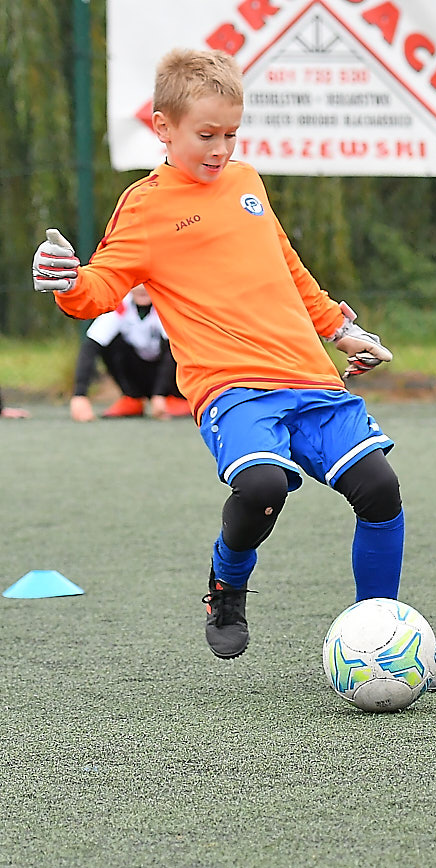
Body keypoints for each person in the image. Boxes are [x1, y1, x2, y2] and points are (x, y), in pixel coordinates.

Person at [31, 48, 406, 664]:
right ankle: (227, 587)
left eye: (231, 134)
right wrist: (67, 280)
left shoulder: (247, 182)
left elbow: (288, 267)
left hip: (308, 377)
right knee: (262, 487)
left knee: (380, 488)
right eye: (206, 135)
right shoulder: (145, 206)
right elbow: (98, 290)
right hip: (231, 388)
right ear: (163, 127)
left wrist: (341, 331)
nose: (221, 149)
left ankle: (382, 640)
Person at [70, 284, 191, 421]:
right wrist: (79, 395)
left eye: (146, 282)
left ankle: (175, 397)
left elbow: (172, 352)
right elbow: (91, 345)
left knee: (176, 346)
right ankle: (133, 396)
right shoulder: (120, 305)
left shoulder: (167, 305)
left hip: (169, 375)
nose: (141, 288)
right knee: (110, 342)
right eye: (137, 282)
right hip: (139, 371)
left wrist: (160, 394)